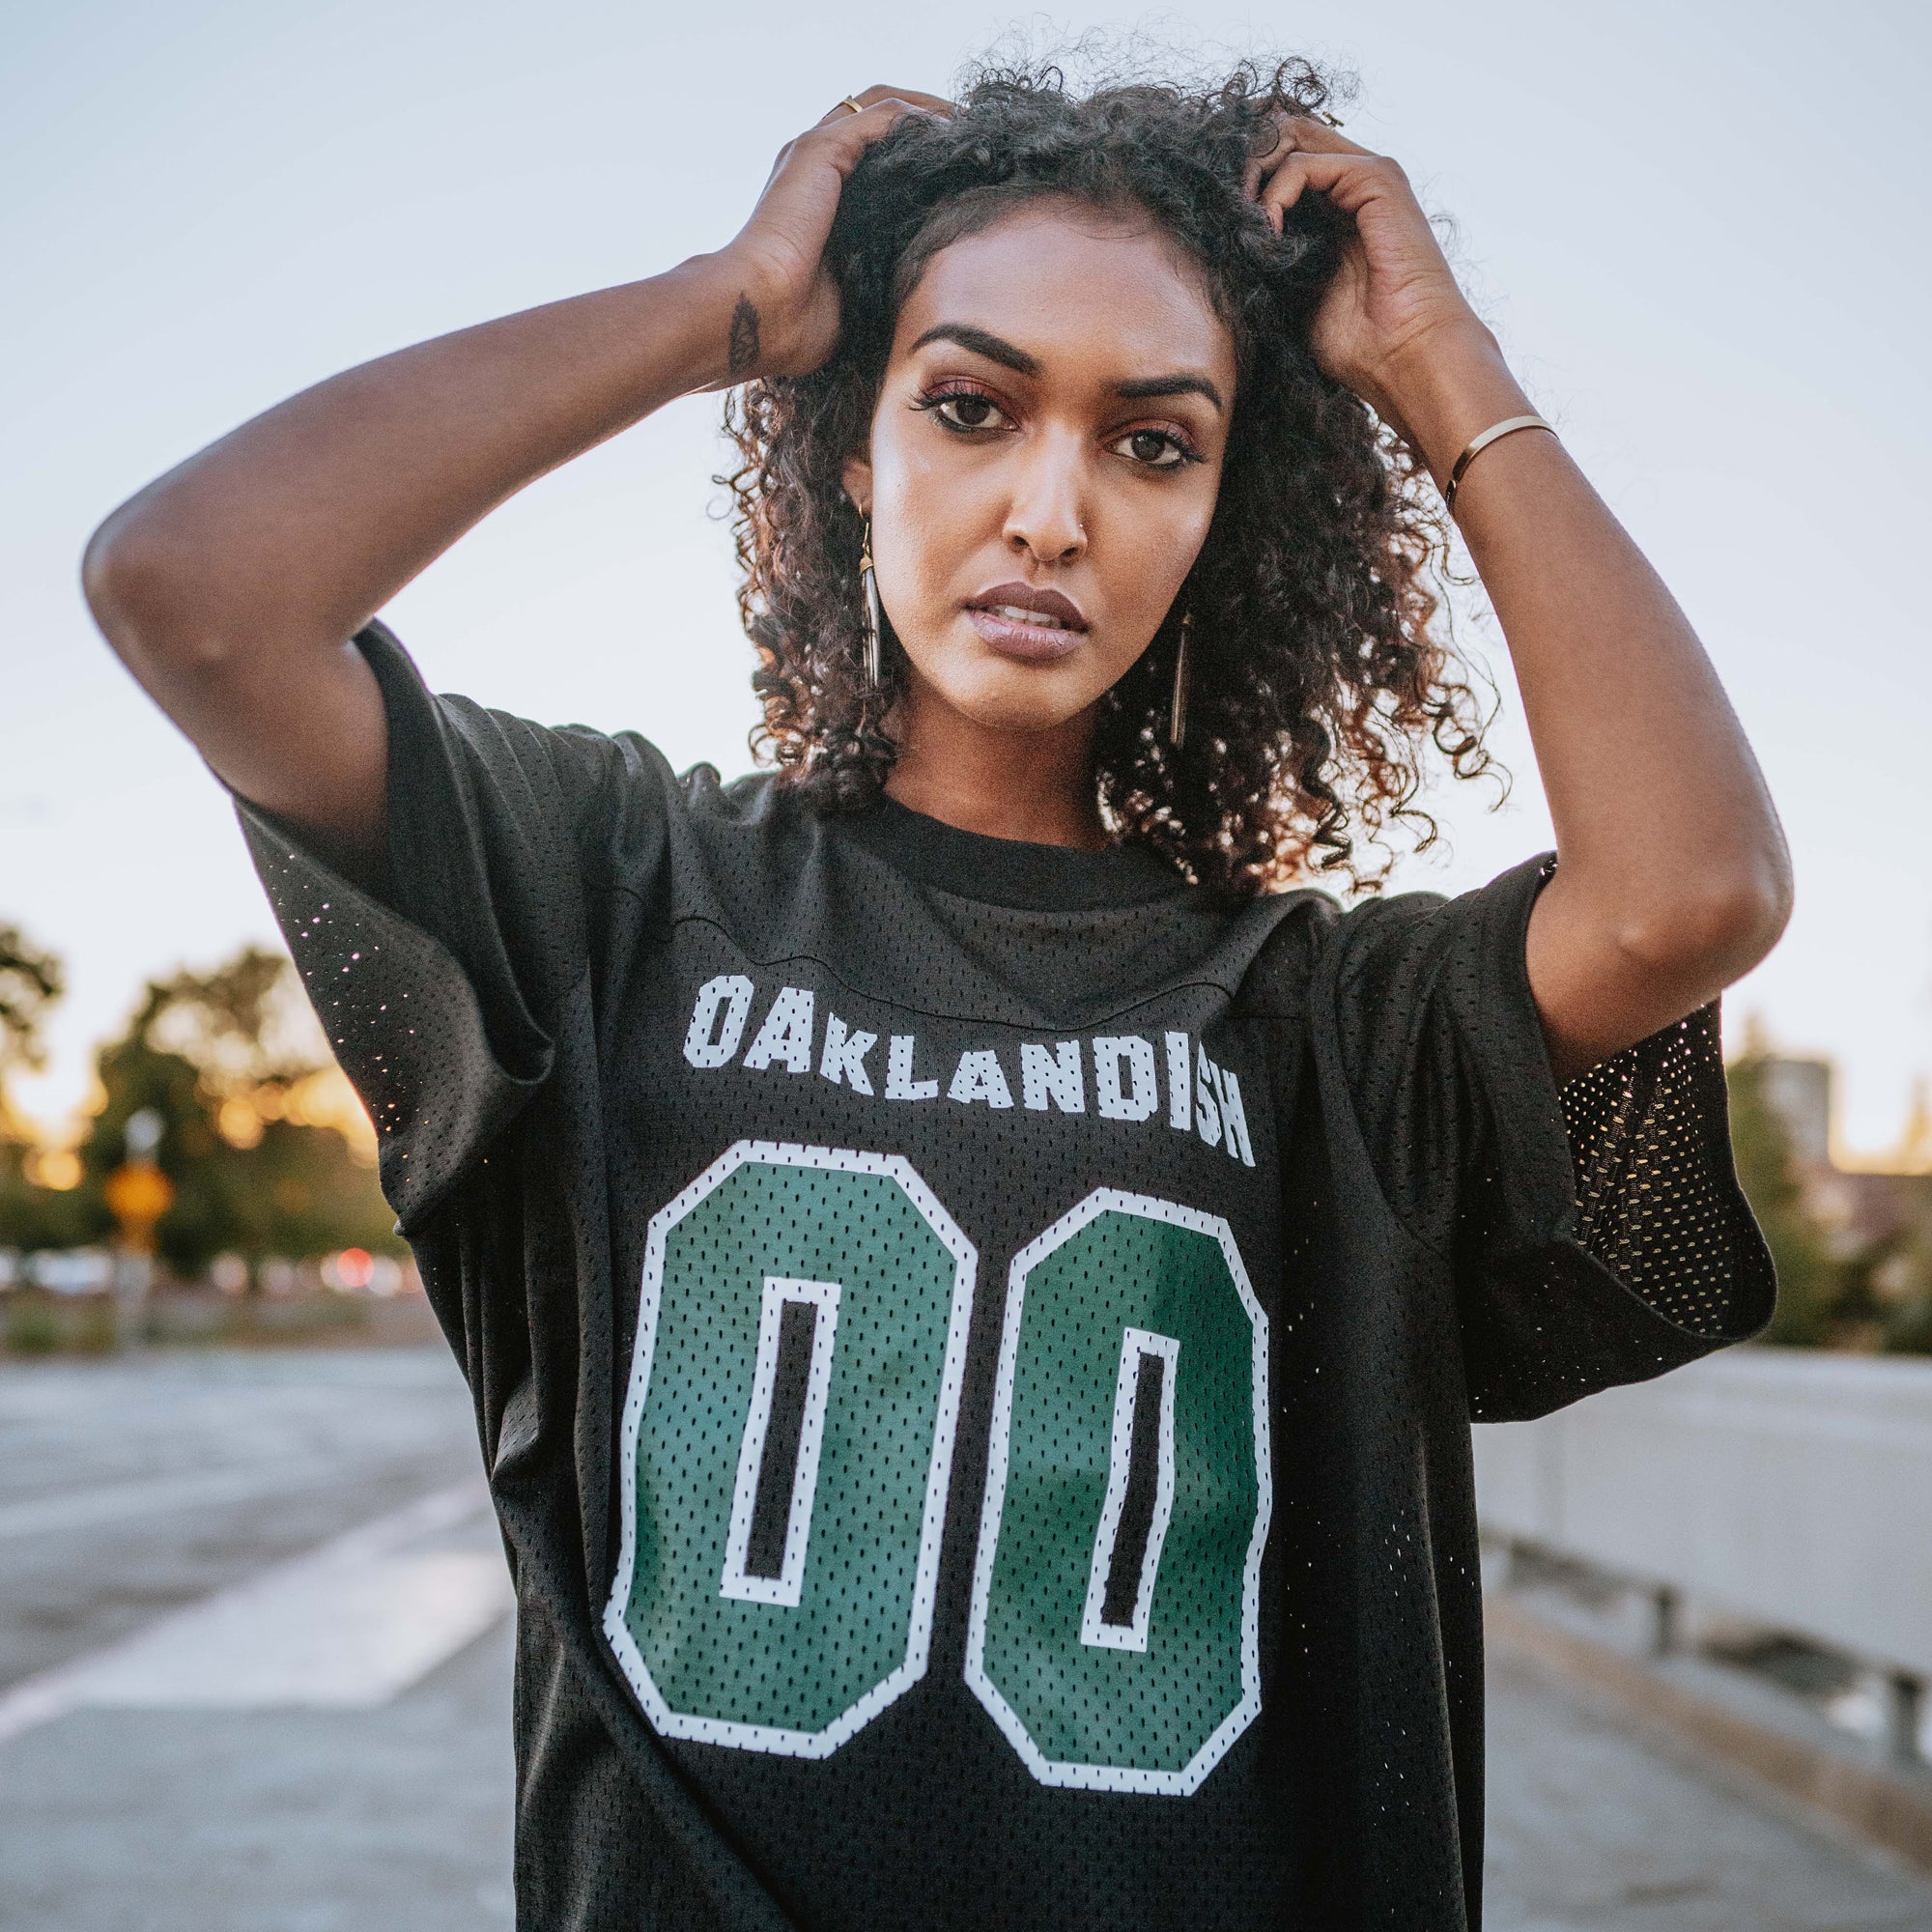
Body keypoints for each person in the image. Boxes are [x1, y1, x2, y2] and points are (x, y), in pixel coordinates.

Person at [82, 56, 1788, 1932]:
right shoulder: (619, 883)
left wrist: (1439, 371)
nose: (1050, 509)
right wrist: (724, 308)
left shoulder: (1319, 1013)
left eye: (1154, 440)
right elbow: (192, 590)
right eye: (968, 406)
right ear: (847, 438)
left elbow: (1689, 892)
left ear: (1233, 506)